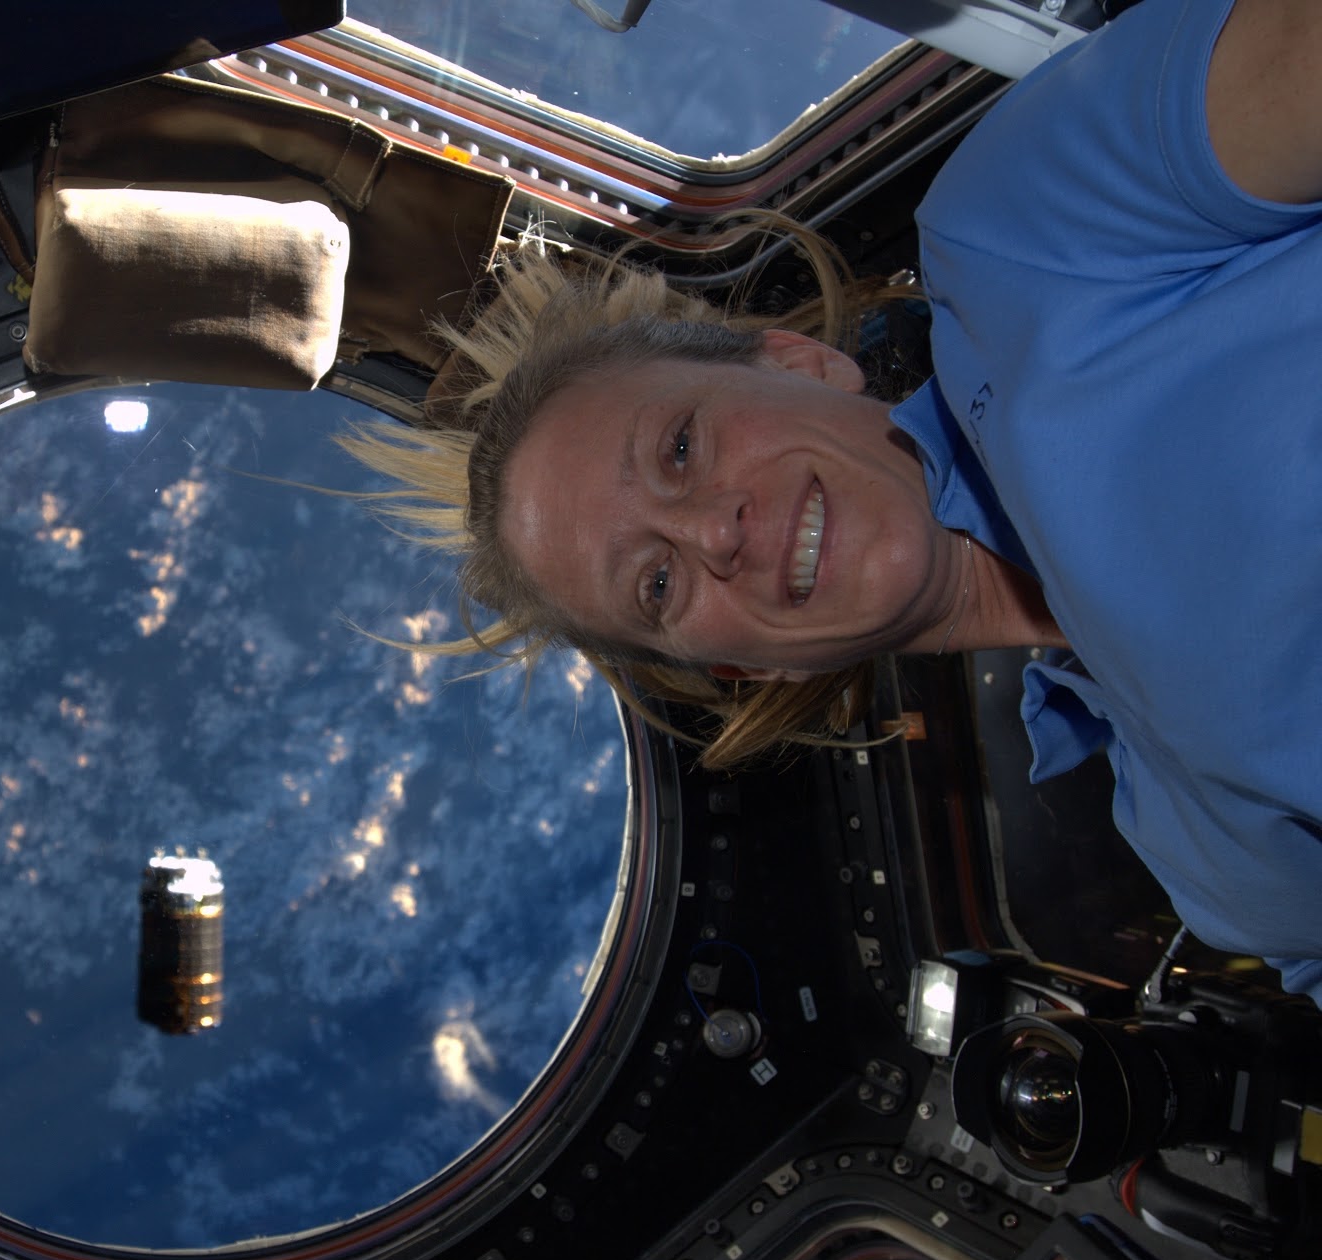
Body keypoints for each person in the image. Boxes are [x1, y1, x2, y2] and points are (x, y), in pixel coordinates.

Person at [340, 0, 1322, 1002]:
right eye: (655, 582)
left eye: (679, 447)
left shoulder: (1019, 238)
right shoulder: (1209, 866)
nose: (709, 530)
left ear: (799, 363)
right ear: (745, 662)